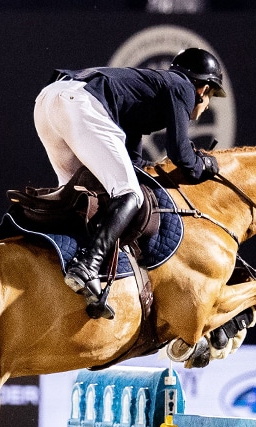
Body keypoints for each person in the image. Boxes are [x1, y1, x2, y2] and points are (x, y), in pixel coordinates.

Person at [34, 48, 227, 318]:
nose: (206, 107)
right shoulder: (183, 86)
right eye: (210, 99)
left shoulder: (151, 89)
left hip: (48, 100)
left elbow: (130, 147)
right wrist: (204, 164)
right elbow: (180, 153)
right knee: (129, 194)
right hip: (80, 103)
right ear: (203, 88)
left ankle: (57, 261)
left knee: (79, 196)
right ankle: (89, 264)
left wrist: (137, 169)